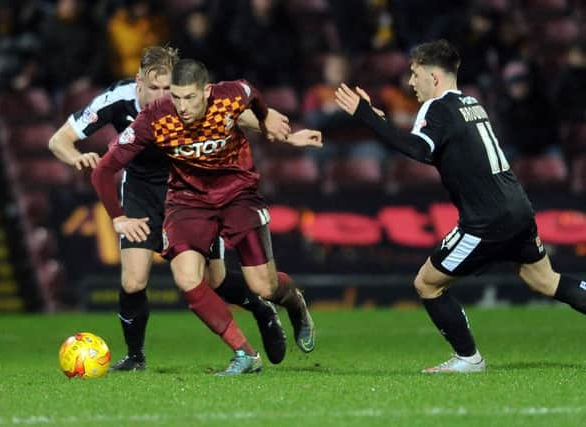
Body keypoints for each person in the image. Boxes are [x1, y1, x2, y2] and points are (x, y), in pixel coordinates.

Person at [335, 39, 586, 373]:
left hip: (487, 219)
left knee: (426, 283)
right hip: (518, 207)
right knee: (546, 281)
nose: (411, 82)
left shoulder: (436, 107)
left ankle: (469, 359)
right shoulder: (470, 103)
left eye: (415, 74)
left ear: (434, 77)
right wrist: (382, 122)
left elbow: (419, 151)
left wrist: (365, 115)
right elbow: (436, 145)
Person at [49, 47, 294, 372]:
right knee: (133, 280)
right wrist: (76, 158)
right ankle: (136, 357)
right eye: (155, 89)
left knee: (216, 279)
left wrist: (272, 123)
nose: (164, 97)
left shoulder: (185, 102)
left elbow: (234, 111)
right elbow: (59, 141)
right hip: (140, 190)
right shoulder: (115, 100)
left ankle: (262, 310)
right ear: (139, 82)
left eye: (170, 89)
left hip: (190, 190)